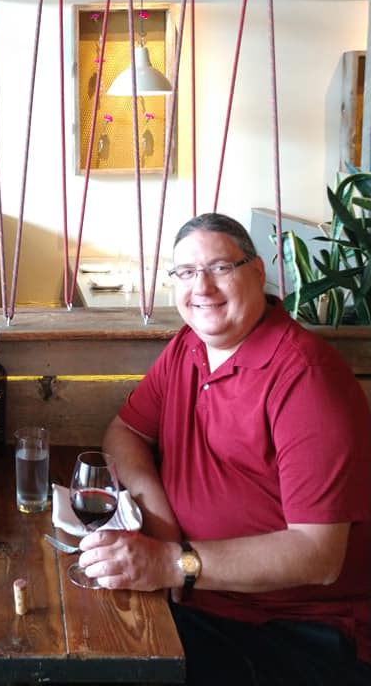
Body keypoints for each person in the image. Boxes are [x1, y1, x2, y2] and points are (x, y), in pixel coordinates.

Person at [78, 213, 371, 686]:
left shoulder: (306, 377)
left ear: (256, 271)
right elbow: (125, 432)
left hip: (293, 629)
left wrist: (171, 562)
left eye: (219, 267)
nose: (202, 287)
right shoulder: (188, 347)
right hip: (193, 597)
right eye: (186, 272)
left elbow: (318, 555)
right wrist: (164, 526)